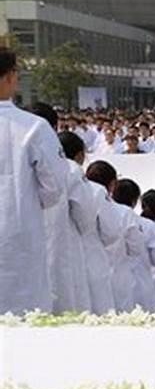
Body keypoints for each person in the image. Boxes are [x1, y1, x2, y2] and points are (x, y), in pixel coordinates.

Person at [0, 48, 67, 314]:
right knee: (23, 321)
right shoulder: (34, 128)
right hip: (19, 238)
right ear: (11, 76)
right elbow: (54, 189)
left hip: (20, 240)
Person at [41, 123, 97, 314]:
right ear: (80, 154)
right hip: (64, 239)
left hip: (35, 239)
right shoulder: (72, 169)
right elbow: (85, 213)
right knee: (68, 297)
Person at [86, 160, 133, 313]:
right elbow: (111, 232)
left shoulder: (76, 187)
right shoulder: (100, 194)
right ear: (112, 184)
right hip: (98, 260)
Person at [113, 178, 155, 312]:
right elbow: (139, 249)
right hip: (137, 278)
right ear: (135, 200)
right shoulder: (145, 224)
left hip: (111, 276)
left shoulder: (105, 213)